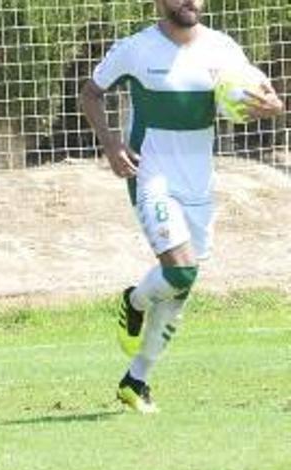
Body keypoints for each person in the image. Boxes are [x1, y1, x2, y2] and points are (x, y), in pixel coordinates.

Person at [79, 0, 283, 413]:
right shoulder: (136, 49)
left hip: (200, 183)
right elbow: (91, 93)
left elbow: (263, 95)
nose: (189, 1)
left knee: (181, 288)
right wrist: (111, 143)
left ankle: (136, 381)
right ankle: (134, 302)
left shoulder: (224, 49)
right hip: (150, 175)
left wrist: (272, 107)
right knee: (181, 269)